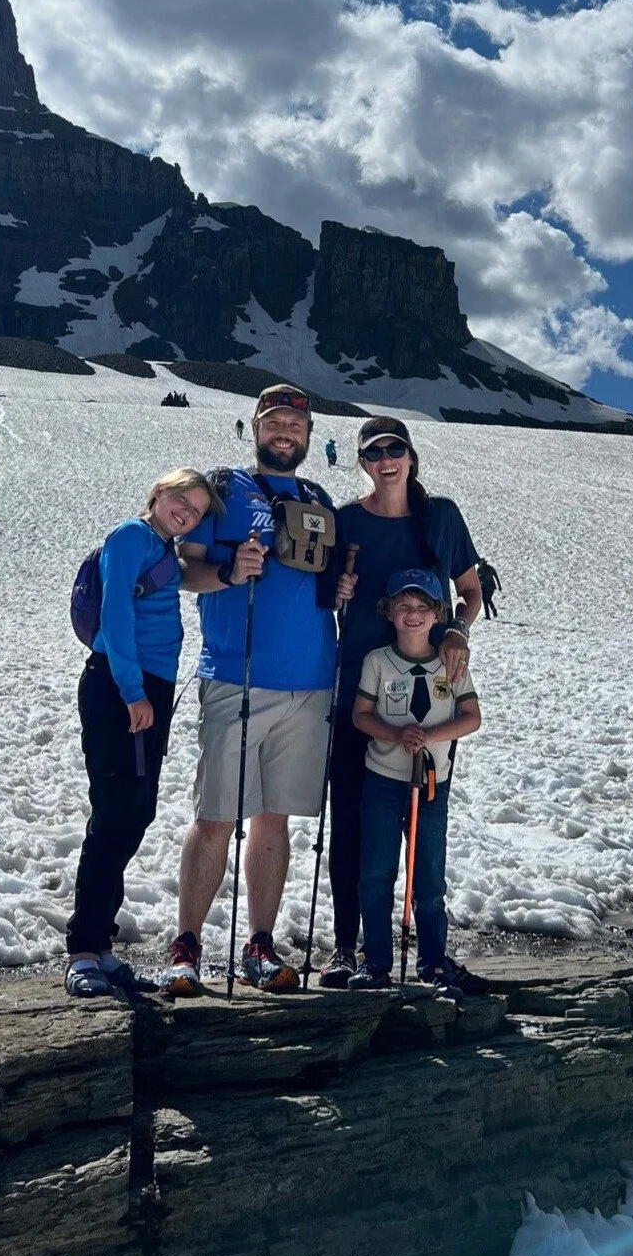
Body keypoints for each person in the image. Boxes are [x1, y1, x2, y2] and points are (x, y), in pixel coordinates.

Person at [165, 383, 352, 996]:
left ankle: (260, 944)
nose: (285, 434)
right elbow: (183, 566)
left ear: (307, 434)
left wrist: (342, 593)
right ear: (255, 426)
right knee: (217, 814)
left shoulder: (319, 497)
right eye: (274, 422)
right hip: (235, 675)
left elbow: (322, 580)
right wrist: (225, 571)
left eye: (295, 426)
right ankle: (187, 944)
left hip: (311, 683)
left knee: (275, 820)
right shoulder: (222, 489)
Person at [319, 415, 482, 989]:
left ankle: (426, 951)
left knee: (420, 819)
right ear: (362, 461)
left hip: (429, 697)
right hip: (357, 689)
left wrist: (459, 630)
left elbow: (470, 589)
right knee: (352, 824)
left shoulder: (439, 517)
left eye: (395, 448)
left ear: (411, 455)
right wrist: (335, 592)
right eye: (374, 452)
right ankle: (350, 949)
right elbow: (323, 590)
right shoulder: (345, 521)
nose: (386, 459)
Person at [66, 468, 221, 998]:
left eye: (197, 510)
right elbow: (115, 613)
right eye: (183, 500)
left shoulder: (159, 548)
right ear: (159, 493)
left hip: (143, 690)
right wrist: (132, 691)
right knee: (115, 812)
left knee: (135, 810)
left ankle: (100, 946)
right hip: (119, 687)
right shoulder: (131, 536)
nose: (188, 513)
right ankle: (84, 949)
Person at [349, 570, 481, 995]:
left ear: (438, 614)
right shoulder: (377, 662)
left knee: (428, 878)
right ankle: (376, 962)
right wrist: (395, 735)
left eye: (424, 607)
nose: (413, 615)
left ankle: (433, 960)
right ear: (389, 612)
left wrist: (429, 738)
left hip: (431, 785)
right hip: (384, 781)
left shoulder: (451, 663)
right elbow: (361, 715)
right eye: (404, 606)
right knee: (375, 873)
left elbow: (471, 717)